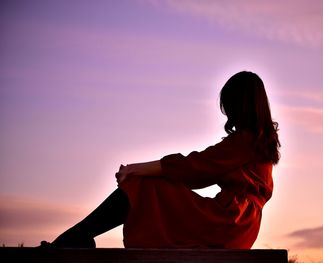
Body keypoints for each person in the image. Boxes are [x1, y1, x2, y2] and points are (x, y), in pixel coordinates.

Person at [39, 71, 280, 249]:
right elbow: (197, 174)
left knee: (142, 185)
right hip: (238, 227)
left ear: (241, 105)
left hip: (227, 223)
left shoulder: (245, 142)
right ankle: (73, 238)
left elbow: (191, 167)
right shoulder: (258, 143)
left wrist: (135, 170)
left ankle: (71, 239)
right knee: (149, 185)